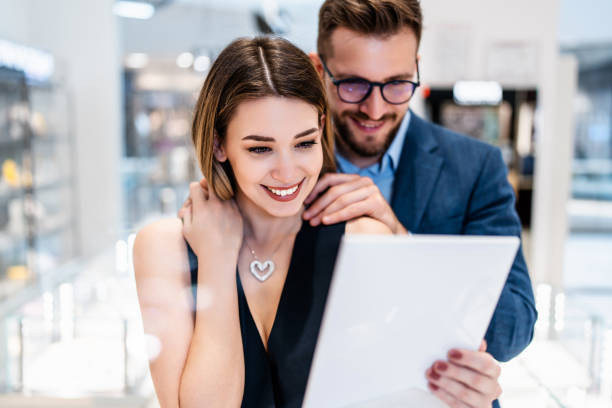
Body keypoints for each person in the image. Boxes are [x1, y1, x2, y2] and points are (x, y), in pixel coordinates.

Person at [183, 1, 536, 407]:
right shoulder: (283, 172)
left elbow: (514, 326)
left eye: (397, 84)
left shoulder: (475, 168)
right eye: (353, 85)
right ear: (319, 70)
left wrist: (399, 237)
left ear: (417, 69)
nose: (375, 107)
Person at [134, 36, 394, 407]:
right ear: (218, 144)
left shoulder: (364, 242)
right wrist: (216, 261)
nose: (288, 172)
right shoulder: (164, 247)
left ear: (321, 129)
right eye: (260, 148)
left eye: (304, 143)